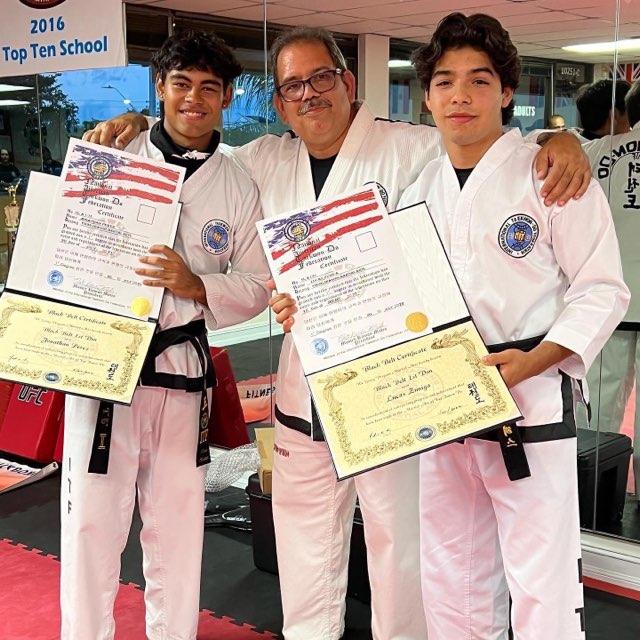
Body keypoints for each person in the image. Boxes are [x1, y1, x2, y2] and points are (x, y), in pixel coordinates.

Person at [84, 26, 592, 640]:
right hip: (303, 391)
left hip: (391, 392)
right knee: (303, 553)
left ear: (347, 82)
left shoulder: (409, 147)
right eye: (292, 85)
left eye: (321, 78)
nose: (309, 94)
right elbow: (194, 145)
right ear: (278, 103)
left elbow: (479, 142)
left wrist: (554, 140)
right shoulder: (263, 159)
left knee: (401, 553)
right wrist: (138, 123)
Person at [395, 12, 629, 638]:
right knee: (452, 569)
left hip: (530, 392)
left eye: (478, 81)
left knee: (541, 577)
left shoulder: (550, 174)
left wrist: (537, 360)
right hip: (446, 397)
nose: (460, 96)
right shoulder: (419, 187)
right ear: (427, 97)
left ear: (505, 92)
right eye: (444, 83)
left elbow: (602, 289)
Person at [61, 31, 270, 640]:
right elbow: (64, 247)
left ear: (227, 97)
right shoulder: (112, 155)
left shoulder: (238, 183)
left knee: (177, 527)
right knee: (90, 525)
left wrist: (196, 283)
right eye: (181, 84)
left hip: (181, 373)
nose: (193, 99)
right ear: (160, 88)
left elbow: (256, 284)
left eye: (209, 87)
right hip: (104, 369)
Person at [582, 80, 640, 498]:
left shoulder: (592, 153)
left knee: (599, 404)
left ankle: (593, 492)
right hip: (608, 296)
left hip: (610, 298)